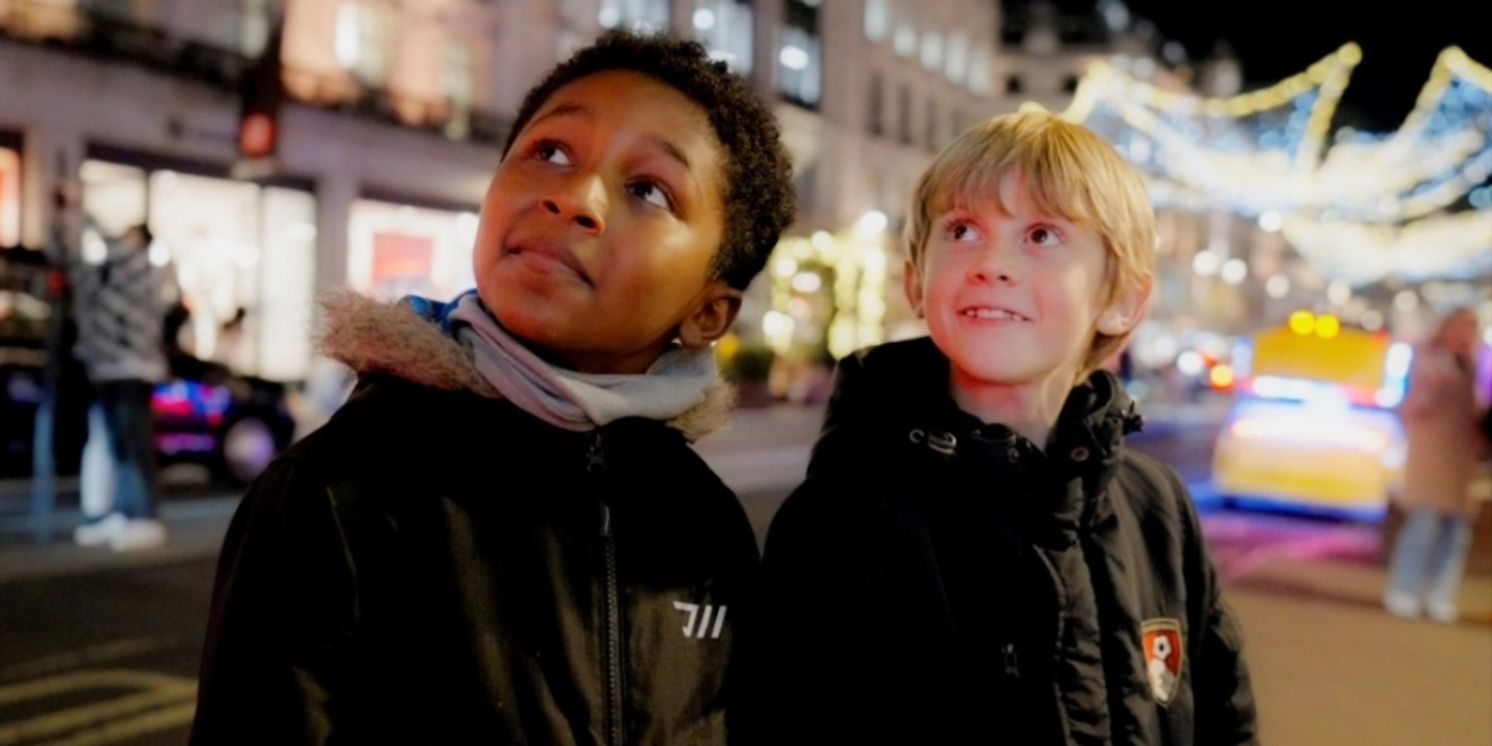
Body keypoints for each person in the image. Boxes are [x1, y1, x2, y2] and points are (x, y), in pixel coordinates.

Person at [191, 31, 795, 745]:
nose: (574, 197)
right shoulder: (339, 489)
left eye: (649, 190)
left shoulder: (706, 525)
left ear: (707, 312)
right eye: (551, 152)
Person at [733, 112, 1256, 745]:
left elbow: (1222, 716)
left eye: (1040, 235)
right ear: (916, 282)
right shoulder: (841, 516)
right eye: (961, 230)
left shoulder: (1158, 511)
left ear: (1121, 299)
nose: (992, 263)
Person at [1384, 308, 1487, 622]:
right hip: (1431, 456)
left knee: (1455, 532)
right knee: (1424, 525)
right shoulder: (1428, 359)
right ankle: (1404, 589)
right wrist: (1435, 386)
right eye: (1462, 327)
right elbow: (1410, 406)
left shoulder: (1474, 364)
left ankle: (1439, 593)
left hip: (1462, 459)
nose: (1466, 335)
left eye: (1472, 328)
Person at [70, 222, 168, 552]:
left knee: (132, 442)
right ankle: (120, 512)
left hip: (131, 367)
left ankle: (142, 515)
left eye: (129, 237)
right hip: (109, 367)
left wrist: (86, 217)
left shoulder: (142, 271)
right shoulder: (115, 272)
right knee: (116, 444)